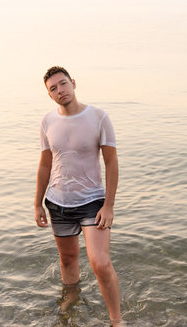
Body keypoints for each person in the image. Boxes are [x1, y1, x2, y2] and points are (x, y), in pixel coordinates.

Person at [34, 66, 125, 327]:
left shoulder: (98, 116)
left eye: (63, 84)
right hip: (58, 202)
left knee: (100, 262)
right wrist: (37, 202)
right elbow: (44, 165)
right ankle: (71, 301)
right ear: (49, 94)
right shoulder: (47, 121)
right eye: (53, 88)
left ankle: (116, 321)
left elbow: (111, 162)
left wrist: (109, 205)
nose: (60, 90)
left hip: (93, 202)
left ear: (73, 83)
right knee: (68, 258)